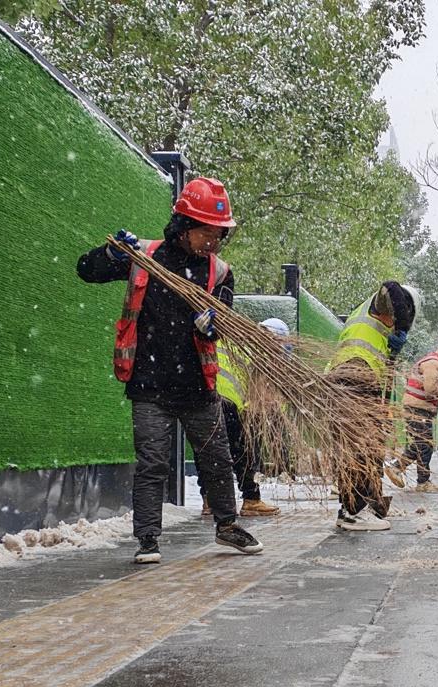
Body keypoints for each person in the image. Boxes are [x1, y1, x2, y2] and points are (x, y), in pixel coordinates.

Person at [76, 177, 262, 564]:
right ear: (184, 225)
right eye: (207, 233)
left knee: (217, 458)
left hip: (197, 385)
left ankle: (227, 525)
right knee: (153, 463)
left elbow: (224, 318)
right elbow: (86, 270)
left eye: (219, 235)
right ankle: (147, 539)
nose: (213, 242)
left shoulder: (220, 273)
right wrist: (110, 254)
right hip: (149, 383)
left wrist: (213, 325)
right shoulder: (144, 255)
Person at [326, 281, 417, 531]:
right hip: (355, 375)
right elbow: (391, 286)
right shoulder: (380, 303)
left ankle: (358, 505)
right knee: (359, 448)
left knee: (365, 445)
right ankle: (354, 512)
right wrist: (402, 327)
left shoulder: (370, 321)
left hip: (352, 378)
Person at [199, 317, 287, 519]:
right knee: (244, 451)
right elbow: (259, 396)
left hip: (205, 397)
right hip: (228, 401)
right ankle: (251, 499)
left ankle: (209, 500)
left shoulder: (231, 339)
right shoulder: (258, 351)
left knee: (206, 450)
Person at [387, 333, 438, 492]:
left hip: (421, 409)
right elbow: (430, 389)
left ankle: (405, 472)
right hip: (416, 409)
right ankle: (413, 477)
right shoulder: (433, 363)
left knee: (420, 444)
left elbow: (436, 390)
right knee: (424, 445)